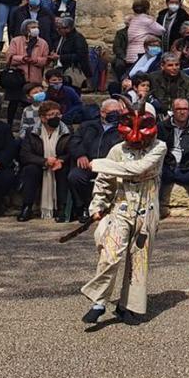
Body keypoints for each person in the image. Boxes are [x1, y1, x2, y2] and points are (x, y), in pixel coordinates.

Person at [79, 105, 167, 326]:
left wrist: (98, 164)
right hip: (121, 208)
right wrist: (97, 205)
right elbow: (104, 181)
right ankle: (98, 301)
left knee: (139, 260)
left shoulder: (159, 148)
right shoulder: (117, 150)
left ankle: (130, 306)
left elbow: (138, 169)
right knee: (110, 253)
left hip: (147, 210)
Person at [16, 99, 70, 222]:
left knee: (63, 170)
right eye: (52, 115)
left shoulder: (67, 130)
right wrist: (44, 161)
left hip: (59, 163)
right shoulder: (32, 132)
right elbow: (25, 154)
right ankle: (27, 207)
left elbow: (71, 151)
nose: (56, 117)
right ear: (43, 118)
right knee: (30, 170)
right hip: (40, 163)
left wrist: (60, 160)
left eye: (58, 114)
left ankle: (62, 208)